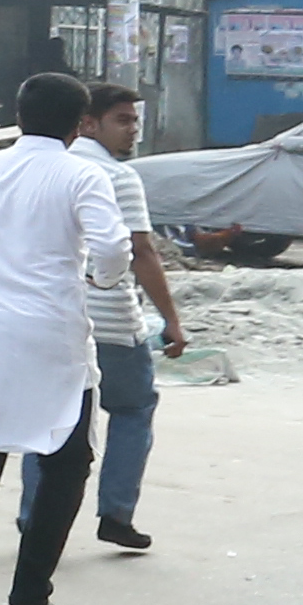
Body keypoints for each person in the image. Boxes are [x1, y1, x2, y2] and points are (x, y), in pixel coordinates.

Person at [0, 71, 134, 605]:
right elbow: (115, 246)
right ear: (80, 125)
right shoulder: (81, 173)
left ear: (18, 114)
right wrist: (102, 276)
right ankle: (30, 594)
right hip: (53, 337)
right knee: (67, 462)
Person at [77, 84, 189, 554]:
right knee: (133, 408)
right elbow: (142, 252)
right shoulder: (117, 177)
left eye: (135, 120)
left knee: (58, 422)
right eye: (122, 120)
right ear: (89, 123)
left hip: (59, 319)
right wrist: (172, 321)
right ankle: (116, 512)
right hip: (113, 322)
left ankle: (34, 515)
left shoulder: (53, 170)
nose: (133, 130)